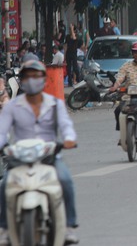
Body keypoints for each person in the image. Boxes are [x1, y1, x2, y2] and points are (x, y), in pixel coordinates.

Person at [0, 59, 79, 245]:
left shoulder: (55, 104)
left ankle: (69, 226)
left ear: (43, 79)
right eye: (27, 77)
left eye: (36, 76)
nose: (31, 80)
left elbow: (66, 126)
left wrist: (69, 139)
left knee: (66, 180)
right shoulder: (12, 106)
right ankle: (4, 228)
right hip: (19, 157)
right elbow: (2, 131)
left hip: (49, 156)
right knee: (4, 186)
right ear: (22, 80)